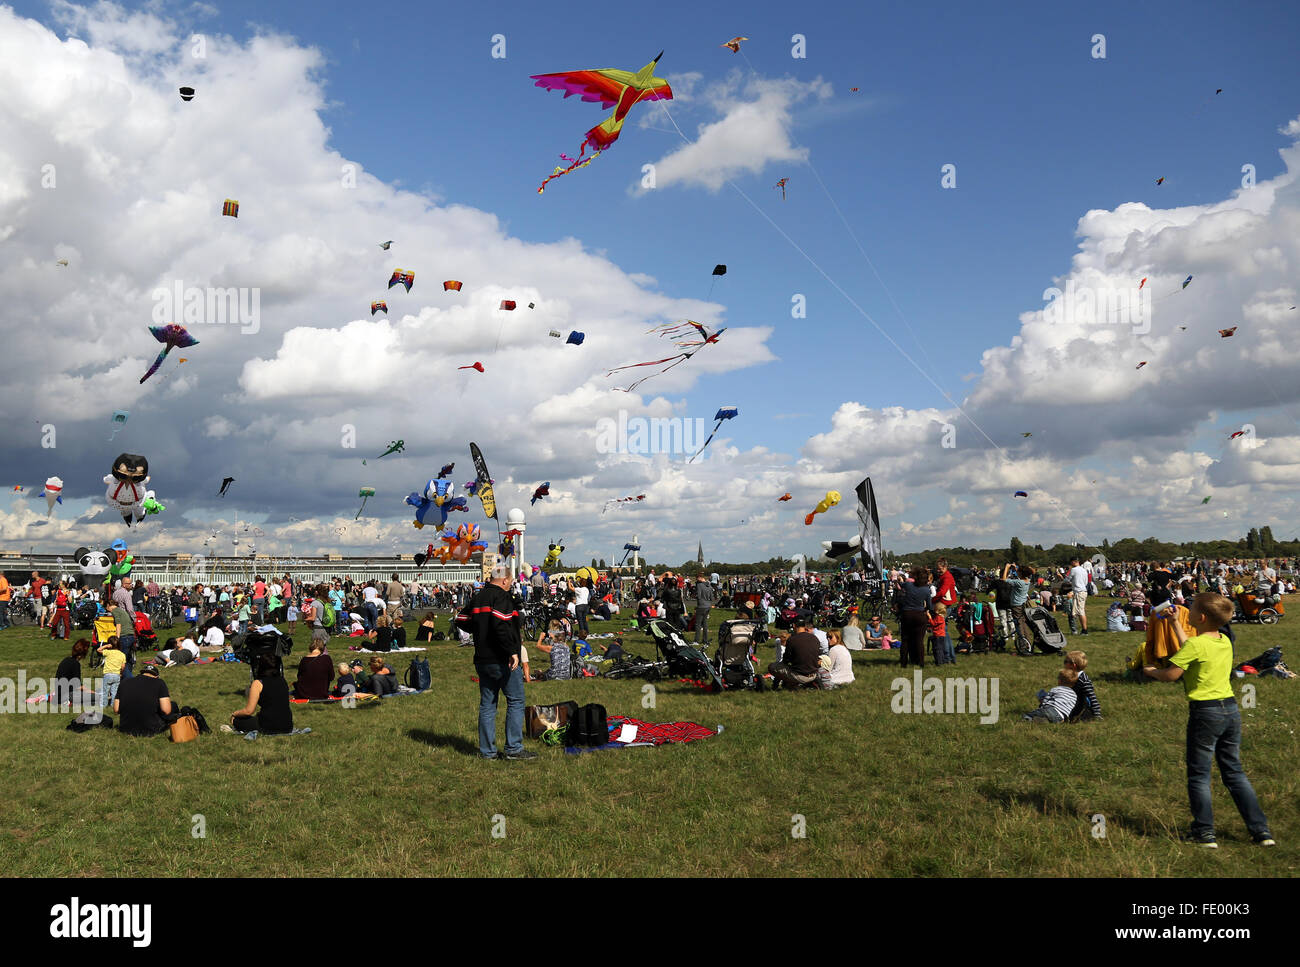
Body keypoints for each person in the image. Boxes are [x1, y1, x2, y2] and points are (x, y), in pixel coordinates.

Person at [1143, 593, 1274, 848]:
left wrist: (1151, 671)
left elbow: (1172, 674)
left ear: (1200, 618)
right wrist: (1174, 623)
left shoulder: (1195, 645)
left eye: (1190, 610)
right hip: (1231, 711)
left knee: (1199, 775)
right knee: (1234, 772)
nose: (1186, 612)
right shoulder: (1223, 640)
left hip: (1205, 713)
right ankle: (1261, 832)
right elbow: (1192, 648)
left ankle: (1204, 833)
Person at [461, 563, 534, 760]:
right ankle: (514, 748)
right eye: (509, 582)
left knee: (487, 704)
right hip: (502, 658)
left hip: (482, 658)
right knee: (516, 700)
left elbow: (460, 618)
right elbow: (501, 625)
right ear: (504, 580)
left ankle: (487, 751)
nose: (510, 585)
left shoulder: (478, 597)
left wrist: (478, 629)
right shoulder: (501, 596)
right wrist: (512, 651)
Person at [229, 652, 293, 734]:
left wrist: (234, 714)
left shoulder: (258, 683)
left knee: (236, 720)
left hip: (267, 726)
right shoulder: (282, 680)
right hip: (287, 725)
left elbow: (248, 711)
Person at [115, 664, 172, 736]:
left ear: (141, 673)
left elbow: (116, 709)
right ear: (156, 677)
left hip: (125, 729)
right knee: (173, 706)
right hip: (150, 729)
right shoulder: (159, 683)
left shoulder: (124, 682)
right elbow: (166, 710)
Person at [768, 617, 822, 689]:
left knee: (772, 667)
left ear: (794, 625)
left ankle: (776, 686)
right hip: (814, 674)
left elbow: (786, 660)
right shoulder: (814, 638)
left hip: (799, 675)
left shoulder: (792, 640)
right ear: (804, 626)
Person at [898, 566, 934, 668]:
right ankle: (921, 662)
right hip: (919, 614)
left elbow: (900, 586)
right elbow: (930, 606)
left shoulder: (908, 585)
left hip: (907, 614)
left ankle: (903, 662)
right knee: (919, 640)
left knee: (905, 640)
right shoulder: (926, 589)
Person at [1063, 650, 1102, 721]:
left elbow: (1092, 697)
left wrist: (1097, 713)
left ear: (1073, 665)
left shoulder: (1083, 680)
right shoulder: (1069, 676)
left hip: (1081, 706)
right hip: (1071, 703)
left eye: (1066, 662)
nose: (1064, 664)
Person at [53, 639, 91, 706]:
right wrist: (93, 692)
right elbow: (78, 686)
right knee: (95, 698)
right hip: (67, 695)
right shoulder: (75, 664)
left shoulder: (66, 660)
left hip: (58, 693)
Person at [97, 636, 126, 705]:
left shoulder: (108, 652)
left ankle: (104, 704)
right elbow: (123, 666)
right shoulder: (122, 654)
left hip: (108, 674)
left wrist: (106, 646)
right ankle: (113, 704)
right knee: (115, 691)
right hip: (117, 675)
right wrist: (121, 673)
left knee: (105, 691)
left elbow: (98, 650)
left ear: (110, 645)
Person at [1067, 557, 1090, 634]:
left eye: (1071, 562)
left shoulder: (1073, 570)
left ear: (1074, 562)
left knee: (1080, 611)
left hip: (1079, 592)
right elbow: (1086, 582)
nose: (1070, 564)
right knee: (1079, 611)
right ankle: (1080, 629)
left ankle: (1084, 630)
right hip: (1083, 591)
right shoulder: (1084, 570)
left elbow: (1067, 579)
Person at [694, 575, 716, 645]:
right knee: (705, 623)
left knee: (698, 624)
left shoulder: (699, 585)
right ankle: (705, 640)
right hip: (708, 605)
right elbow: (712, 598)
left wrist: (696, 597)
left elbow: (699, 596)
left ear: (700, 578)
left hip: (701, 606)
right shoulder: (709, 586)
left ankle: (696, 641)